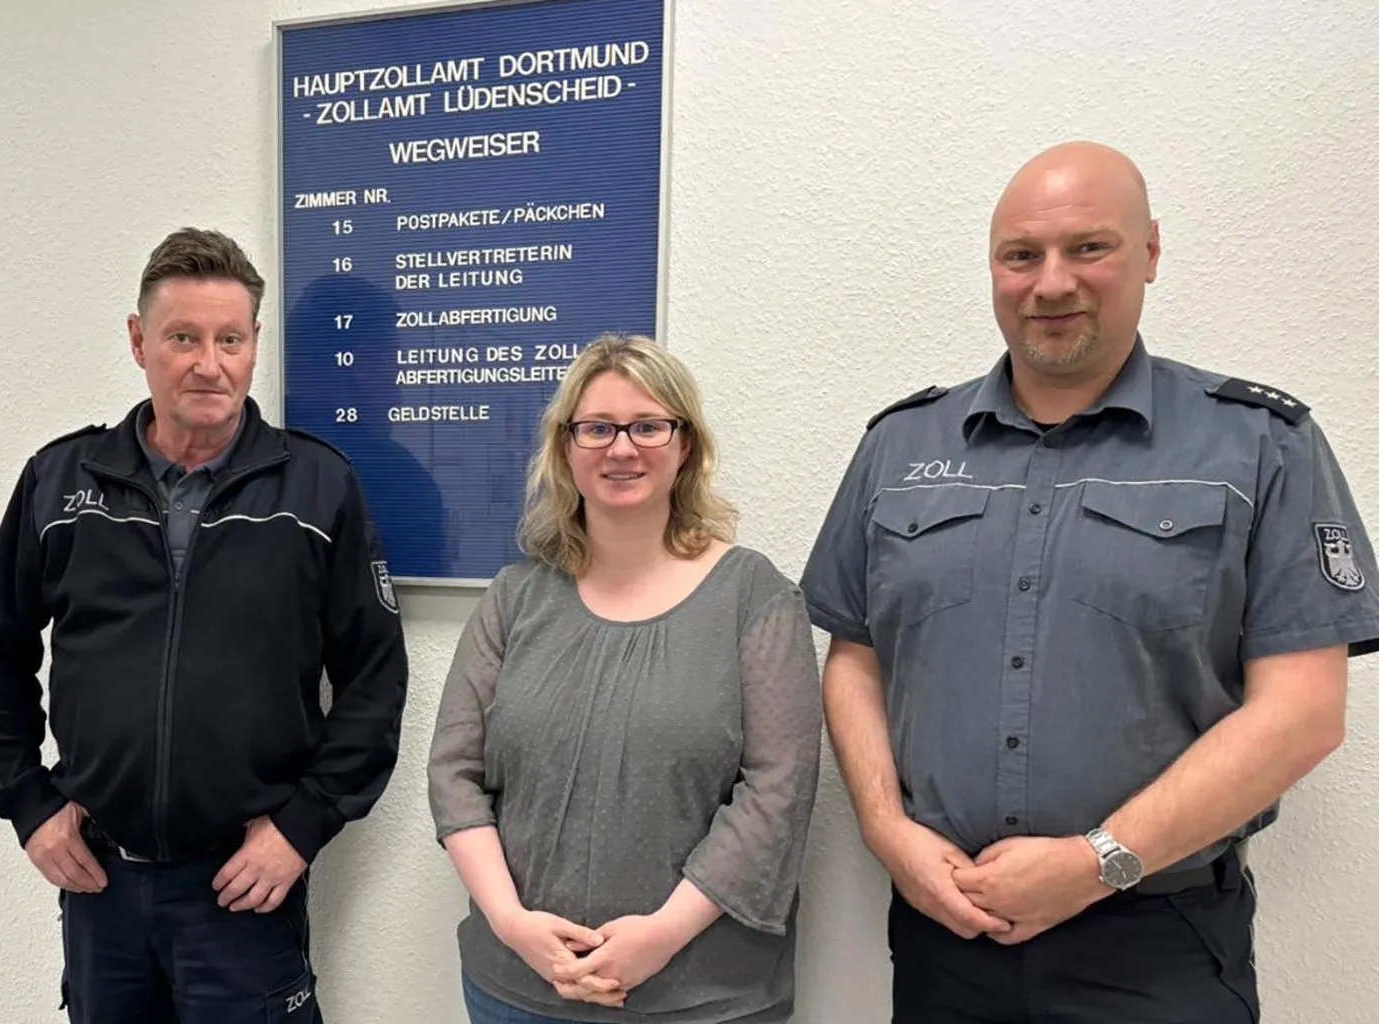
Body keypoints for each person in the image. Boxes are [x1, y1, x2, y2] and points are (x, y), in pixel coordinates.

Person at [802, 141, 1379, 1023]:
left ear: (1149, 252)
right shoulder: (900, 446)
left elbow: (1303, 712)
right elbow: (855, 656)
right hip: (943, 935)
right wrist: (888, 833)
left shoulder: (1262, 444)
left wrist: (1097, 862)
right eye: (1020, 255)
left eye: (1088, 248)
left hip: (1158, 944)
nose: (1051, 283)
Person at [0, 227, 410, 1022]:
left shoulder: (318, 488)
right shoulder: (60, 482)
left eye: (229, 339)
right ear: (139, 341)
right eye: (183, 338)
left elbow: (374, 678)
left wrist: (302, 827)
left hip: (242, 888)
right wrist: (27, 801)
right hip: (101, 885)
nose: (210, 363)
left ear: (254, 345)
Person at [427, 334, 823, 1023]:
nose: (621, 449)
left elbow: (778, 791)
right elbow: (454, 773)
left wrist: (661, 936)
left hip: (702, 998)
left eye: (648, 426)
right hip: (517, 990)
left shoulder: (753, 597)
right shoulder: (515, 598)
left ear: (686, 444)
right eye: (597, 428)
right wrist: (513, 924)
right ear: (566, 448)